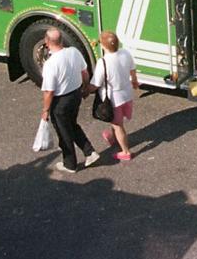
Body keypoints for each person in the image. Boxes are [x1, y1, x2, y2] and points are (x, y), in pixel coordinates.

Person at [40, 29, 99, 173]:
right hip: (76, 95)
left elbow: (49, 91)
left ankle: (70, 164)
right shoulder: (74, 52)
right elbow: (85, 72)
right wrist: (85, 89)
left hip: (61, 101)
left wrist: (45, 110)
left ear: (47, 42)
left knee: (63, 131)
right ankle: (89, 151)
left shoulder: (50, 64)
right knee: (72, 124)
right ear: (61, 40)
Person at [88, 31, 138, 162]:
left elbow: (96, 83)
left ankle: (125, 151)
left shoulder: (103, 62)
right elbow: (132, 70)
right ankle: (113, 138)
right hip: (127, 94)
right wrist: (135, 81)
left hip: (114, 99)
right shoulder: (125, 53)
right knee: (116, 121)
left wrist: (85, 91)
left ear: (103, 46)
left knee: (118, 125)